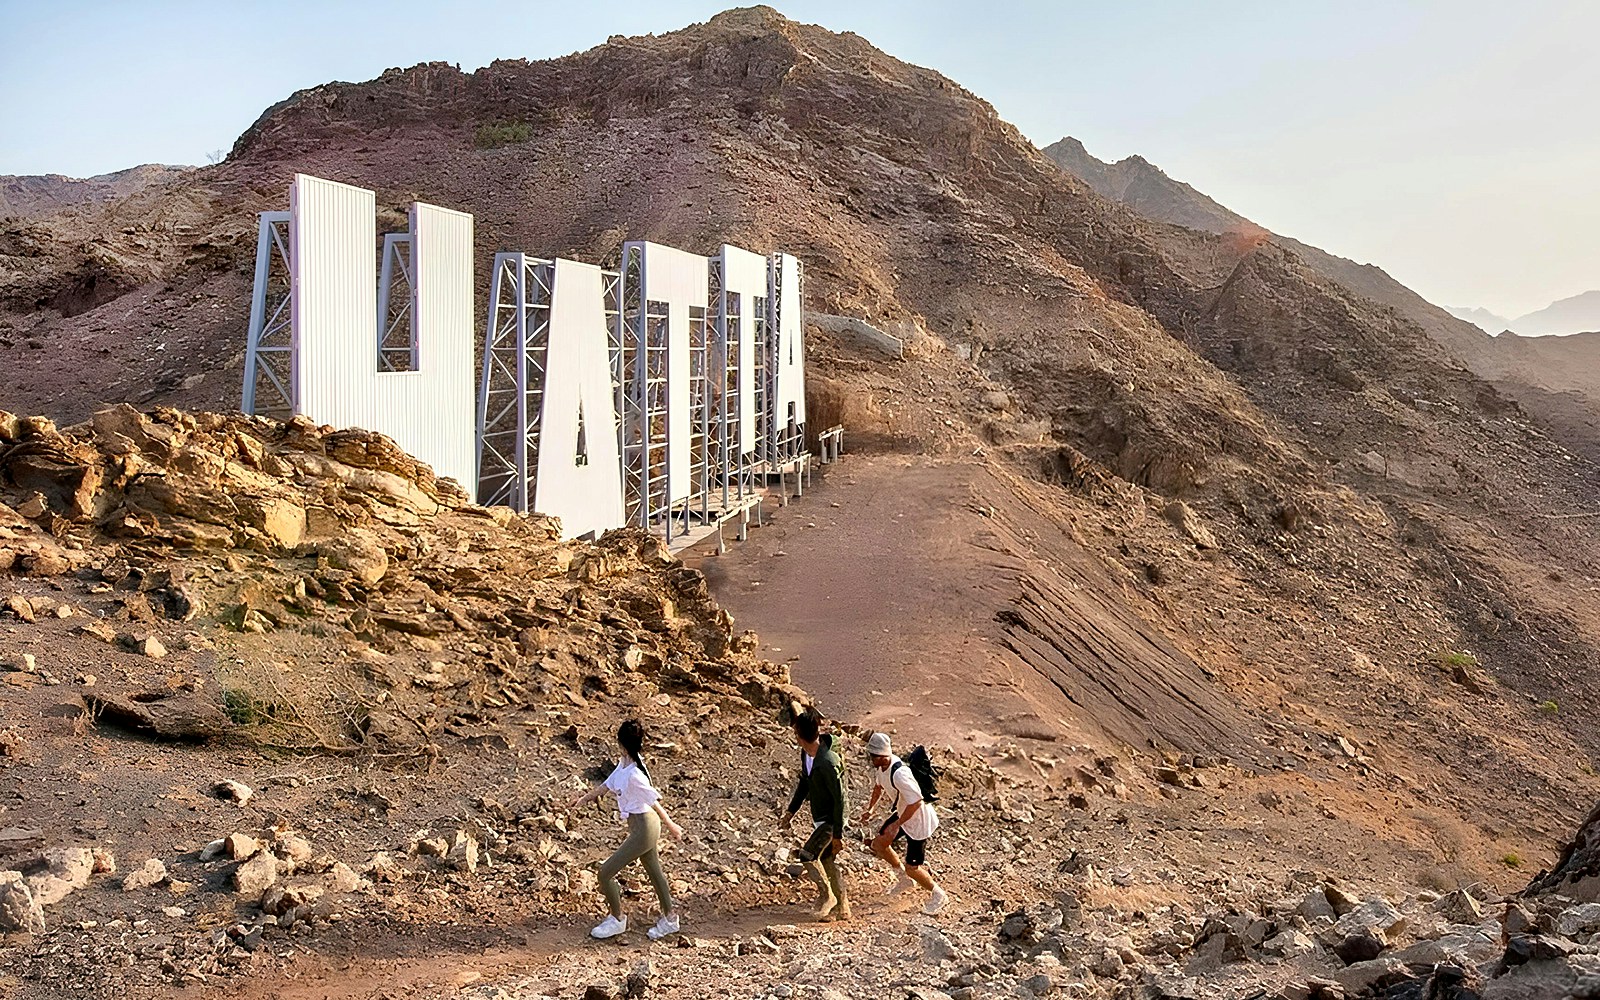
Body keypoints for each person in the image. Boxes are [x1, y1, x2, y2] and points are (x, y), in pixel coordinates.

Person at [566, 719, 685, 940]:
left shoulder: (634, 774)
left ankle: (617, 919)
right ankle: (670, 918)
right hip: (640, 826)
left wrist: (672, 826)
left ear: (621, 743)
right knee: (653, 870)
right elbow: (605, 786)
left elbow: (653, 801)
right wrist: (581, 800)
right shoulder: (625, 764)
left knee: (605, 873)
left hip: (645, 828)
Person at [858, 732, 948, 915]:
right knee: (879, 844)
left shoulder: (900, 774)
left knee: (912, 868)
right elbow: (878, 787)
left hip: (918, 821)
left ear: (882, 756)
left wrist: (896, 824)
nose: (870, 759)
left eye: (872, 756)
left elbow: (916, 802)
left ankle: (939, 895)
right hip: (902, 813)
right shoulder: (882, 768)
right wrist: (871, 809)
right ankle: (904, 880)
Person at [781, 710, 850, 921]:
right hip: (822, 816)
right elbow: (804, 784)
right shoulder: (808, 755)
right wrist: (790, 812)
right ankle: (843, 907)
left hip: (831, 819)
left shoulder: (828, 762)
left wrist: (837, 834)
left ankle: (828, 897)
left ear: (798, 734)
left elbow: (839, 799)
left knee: (807, 855)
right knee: (827, 859)